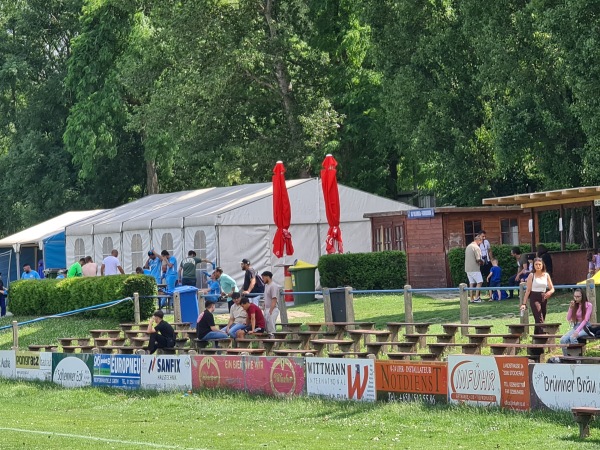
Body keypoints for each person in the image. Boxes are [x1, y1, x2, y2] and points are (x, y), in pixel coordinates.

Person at [520, 257, 555, 335]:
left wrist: (550, 292)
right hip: (534, 297)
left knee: (541, 317)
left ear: (542, 265)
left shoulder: (546, 275)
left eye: (539, 264)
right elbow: (528, 290)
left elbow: (552, 288)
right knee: (539, 317)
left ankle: (536, 338)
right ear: (533, 266)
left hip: (543, 297)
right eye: (536, 264)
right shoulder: (531, 275)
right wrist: (524, 304)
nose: (538, 266)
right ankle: (543, 336)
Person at [559, 289, 593, 355]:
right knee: (563, 340)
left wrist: (577, 331)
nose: (576, 298)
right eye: (575, 296)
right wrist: (571, 308)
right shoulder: (575, 305)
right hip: (576, 326)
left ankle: (577, 358)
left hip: (585, 327)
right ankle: (567, 358)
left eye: (578, 297)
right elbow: (568, 318)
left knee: (573, 337)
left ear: (582, 296)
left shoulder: (588, 305)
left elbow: (585, 320)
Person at [464, 234, 483, 303]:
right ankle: (477, 298)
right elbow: (478, 259)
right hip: (474, 268)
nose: (481, 243)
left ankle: (471, 298)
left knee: (471, 283)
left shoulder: (468, 246)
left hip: (467, 268)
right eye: (481, 241)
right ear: (478, 240)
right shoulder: (476, 247)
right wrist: (482, 262)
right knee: (480, 282)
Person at [261, 271, 279, 336]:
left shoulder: (273, 286)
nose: (262, 279)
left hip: (272, 309)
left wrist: (271, 310)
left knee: (271, 326)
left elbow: (274, 298)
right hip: (266, 309)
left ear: (267, 277)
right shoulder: (266, 286)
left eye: (263, 278)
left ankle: (274, 341)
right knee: (267, 326)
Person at [479, 230, 493, 297]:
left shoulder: (486, 242)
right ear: (479, 236)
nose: (484, 238)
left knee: (489, 277)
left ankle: (490, 294)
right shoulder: (477, 243)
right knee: (479, 279)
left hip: (487, 261)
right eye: (482, 236)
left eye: (485, 236)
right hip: (481, 263)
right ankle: (478, 295)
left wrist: (491, 259)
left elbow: (489, 250)